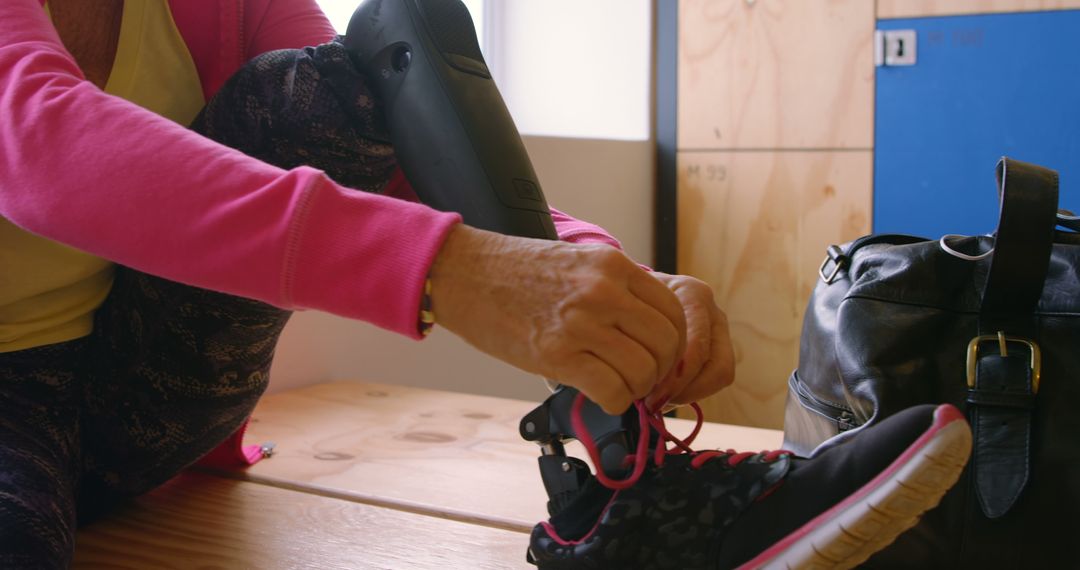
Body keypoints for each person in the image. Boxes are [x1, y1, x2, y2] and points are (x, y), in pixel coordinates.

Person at [0, 0, 734, 566]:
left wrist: (602, 274)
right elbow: (34, 138)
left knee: (339, 85)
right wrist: (444, 269)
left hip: (139, 393)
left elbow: (391, 135)